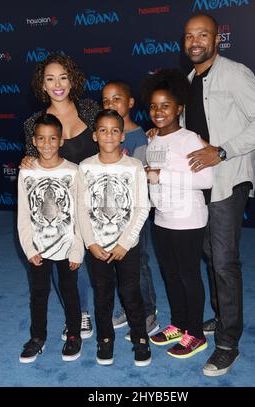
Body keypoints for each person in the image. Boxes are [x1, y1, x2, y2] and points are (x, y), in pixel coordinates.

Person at [183, 13, 255, 375]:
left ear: (217, 39)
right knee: (210, 252)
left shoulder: (235, 73)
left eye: (202, 34)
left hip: (228, 179)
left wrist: (221, 150)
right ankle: (222, 315)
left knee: (223, 260)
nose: (195, 41)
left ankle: (227, 342)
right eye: (189, 36)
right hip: (202, 183)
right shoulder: (191, 80)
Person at [22, 53, 100, 341]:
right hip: (62, 210)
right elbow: (35, 166)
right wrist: (26, 161)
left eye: (63, 77)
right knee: (66, 263)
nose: (57, 84)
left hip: (96, 199)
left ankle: (127, 310)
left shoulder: (90, 109)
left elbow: (111, 136)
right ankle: (78, 313)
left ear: (73, 80)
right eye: (50, 78)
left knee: (107, 260)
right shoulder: (35, 123)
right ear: (42, 85)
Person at [142, 68, 213, 360]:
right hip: (162, 218)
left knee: (188, 276)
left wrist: (163, 175)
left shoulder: (190, 139)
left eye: (166, 105)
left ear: (179, 108)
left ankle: (195, 334)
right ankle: (179, 325)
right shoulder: (153, 139)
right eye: (154, 106)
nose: (159, 112)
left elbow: (206, 181)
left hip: (188, 219)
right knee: (170, 275)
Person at [77, 109, 151, 367]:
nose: (109, 135)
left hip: (126, 245)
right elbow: (81, 210)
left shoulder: (134, 167)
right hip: (97, 246)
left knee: (131, 292)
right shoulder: (85, 167)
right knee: (103, 294)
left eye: (115, 130)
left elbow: (143, 207)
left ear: (122, 135)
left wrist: (125, 243)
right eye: (103, 130)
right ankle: (105, 339)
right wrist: (91, 242)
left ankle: (141, 338)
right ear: (95, 135)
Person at [18, 114, 83, 363]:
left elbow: (80, 215)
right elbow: (23, 214)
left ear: (61, 140)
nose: (47, 144)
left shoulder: (74, 172)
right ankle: (37, 337)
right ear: (34, 141)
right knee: (39, 293)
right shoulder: (27, 172)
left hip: (67, 246)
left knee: (70, 292)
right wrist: (29, 247)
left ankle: (74, 335)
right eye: (42, 139)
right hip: (38, 247)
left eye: (52, 138)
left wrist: (78, 249)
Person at [102, 80, 160, 339]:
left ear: (130, 103)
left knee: (139, 262)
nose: (110, 105)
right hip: (110, 212)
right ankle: (129, 307)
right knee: (117, 263)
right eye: (105, 101)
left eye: (116, 99)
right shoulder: (104, 134)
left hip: (135, 212)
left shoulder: (142, 137)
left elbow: (141, 179)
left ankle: (148, 313)